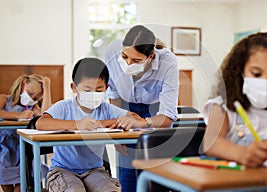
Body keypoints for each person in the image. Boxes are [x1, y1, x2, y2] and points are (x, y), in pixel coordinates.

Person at [202, 32, 267, 191]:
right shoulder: (222, 107)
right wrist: (242, 154)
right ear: (240, 71)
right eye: (256, 74)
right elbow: (211, 143)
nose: (265, 83)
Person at [35, 57, 146, 192]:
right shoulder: (64, 107)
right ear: (74, 88)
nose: (93, 94)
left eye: (99, 90)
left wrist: (105, 123)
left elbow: (134, 117)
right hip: (63, 170)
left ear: (107, 88)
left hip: (95, 171)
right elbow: (41, 123)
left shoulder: (106, 108)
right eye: (87, 90)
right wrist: (77, 124)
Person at [105, 25, 179, 192]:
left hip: (155, 109)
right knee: (128, 172)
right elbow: (114, 94)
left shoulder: (168, 62)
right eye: (125, 57)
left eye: (137, 61)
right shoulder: (112, 51)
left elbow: (167, 117)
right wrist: (118, 131)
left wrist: (142, 122)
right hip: (125, 107)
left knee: (157, 175)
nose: (128, 64)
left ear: (150, 56)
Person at [0, 74, 52, 192]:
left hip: (22, 149)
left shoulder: (32, 108)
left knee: (22, 183)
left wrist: (47, 87)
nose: (31, 98)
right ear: (23, 84)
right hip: (3, 149)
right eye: (30, 92)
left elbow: (47, 114)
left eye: (35, 98)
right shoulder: (4, 99)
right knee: (5, 180)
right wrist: (18, 115)